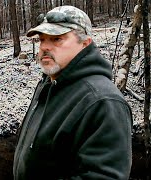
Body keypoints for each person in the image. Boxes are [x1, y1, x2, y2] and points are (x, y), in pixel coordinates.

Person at [13, 5, 132, 180]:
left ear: (85, 43)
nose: (45, 47)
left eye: (57, 39)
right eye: (42, 39)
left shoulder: (102, 101)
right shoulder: (49, 85)